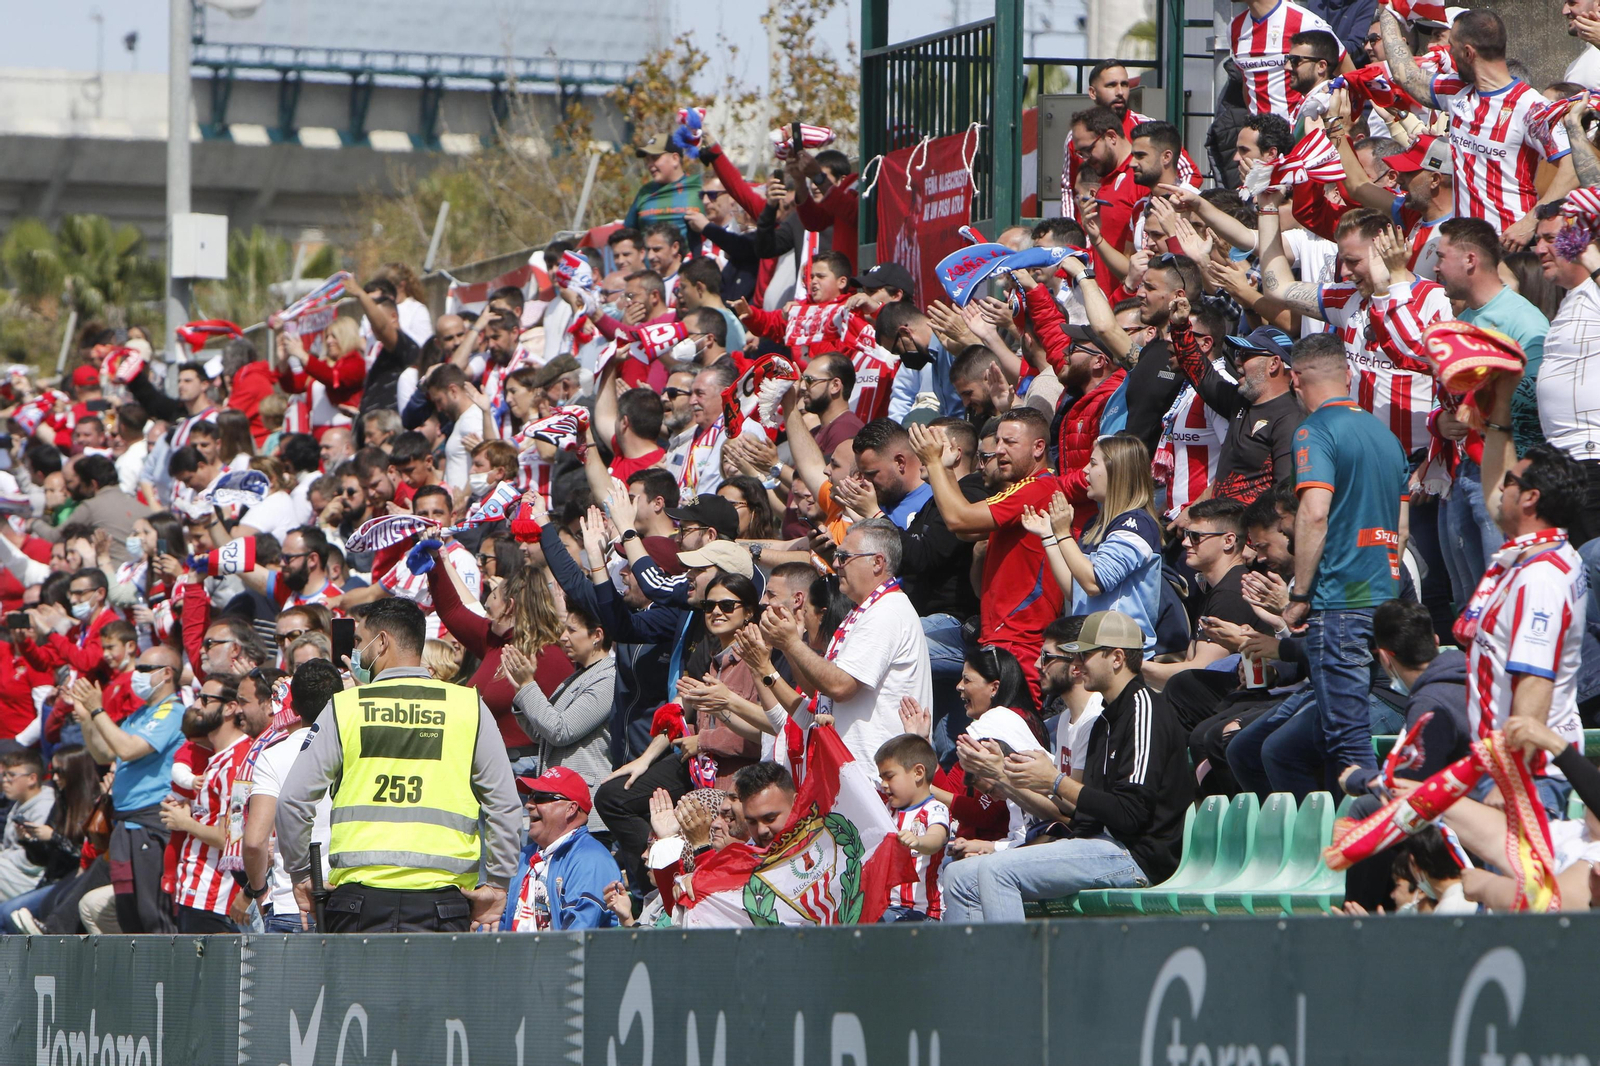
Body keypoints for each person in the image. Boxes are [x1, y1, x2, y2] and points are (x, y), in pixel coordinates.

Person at [275, 598, 522, 933]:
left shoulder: (346, 707)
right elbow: (504, 805)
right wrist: (497, 882)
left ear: (382, 643)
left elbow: (293, 800)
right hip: (443, 902)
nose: (356, 652)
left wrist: (301, 873)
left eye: (360, 642)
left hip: (358, 902)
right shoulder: (468, 706)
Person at [944, 611, 1194, 921]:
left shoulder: (1143, 709)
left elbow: (1131, 814)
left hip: (1135, 854)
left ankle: (1010, 970)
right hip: (1099, 845)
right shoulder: (1106, 718)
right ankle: (976, 970)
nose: (1078, 665)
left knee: (997, 872)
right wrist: (1021, 780)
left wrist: (1054, 782)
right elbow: (1084, 812)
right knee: (960, 878)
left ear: (1117, 658)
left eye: (1086, 655)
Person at [1280, 333, 1410, 795]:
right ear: (1348, 375)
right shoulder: (1386, 436)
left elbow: (1315, 512)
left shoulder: (1313, 431)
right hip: (1385, 599)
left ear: (1295, 379)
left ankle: (1359, 852)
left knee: (1349, 745)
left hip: (1339, 602)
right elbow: (1402, 528)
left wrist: (1299, 594)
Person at [1379, 7, 1576, 247]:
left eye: (1451, 45)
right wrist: (1389, 12)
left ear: (1468, 53)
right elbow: (1406, 75)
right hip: (1464, 245)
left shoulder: (1531, 106)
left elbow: (1572, 168)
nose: (1447, 52)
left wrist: (1531, 221)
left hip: (1509, 245)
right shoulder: (1455, 90)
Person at [760, 518, 932, 773]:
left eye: (844, 556)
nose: (836, 563)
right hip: (851, 769)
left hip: (876, 774)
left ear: (877, 562)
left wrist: (791, 642)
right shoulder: (865, 611)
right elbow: (819, 688)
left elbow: (841, 686)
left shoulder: (887, 612)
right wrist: (786, 643)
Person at [912, 409, 1063, 695]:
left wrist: (933, 462)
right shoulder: (1023, 489)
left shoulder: (1036, 488)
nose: (999, 451)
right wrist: (944, 468)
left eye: (1010, 443)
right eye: (998, 442)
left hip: (1020, 645)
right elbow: (964, 530)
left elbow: (959, 519)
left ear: (1038, 447)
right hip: (998, 638)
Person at [78, 643, 185, 933]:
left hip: (149, 820)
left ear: (165, 674)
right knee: (129, 914)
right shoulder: (140, 715)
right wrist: (88, 720)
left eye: (143, 669)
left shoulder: (172, 712)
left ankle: (167, 974)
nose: (135, 675)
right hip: (125, 823)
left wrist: (98, 709)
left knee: (152, 913)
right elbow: (104, 753)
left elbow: (128, 749)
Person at [1025, 436, 1164, 650]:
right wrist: (1050, 537)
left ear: (1117, 471)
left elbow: (1094, 583)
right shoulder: (1095, 525)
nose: (1085, 471)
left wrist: (1063, 533)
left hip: (1120, 654)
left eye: (1093, 463)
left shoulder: (1136, 523)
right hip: (1091, 648)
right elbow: (1075, 590)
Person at [242, 659, 340, 933]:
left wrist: (258, 890)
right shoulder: (357, 748)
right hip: (350, 900)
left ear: (293, 708)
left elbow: (254, 841)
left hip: (291, 906)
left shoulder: (273, 756)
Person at [503, 601, 617, 831]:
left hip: (585, 812)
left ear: (597, 635)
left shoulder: (608, 678)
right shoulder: (576, 677)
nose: (563, 637)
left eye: (572, 631)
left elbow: (560, 731)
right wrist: (520, 688)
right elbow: (540, 732)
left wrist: (528, 684)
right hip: (560, 805)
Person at [160, 673, 252, 934]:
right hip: (196, 889)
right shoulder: (217, 757)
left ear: (231, 707)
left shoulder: (236, 761)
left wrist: (184, 822)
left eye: (205, 699)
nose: (196, 706)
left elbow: (230, 837)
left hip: (214, 897)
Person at [502, 766, 621, 931]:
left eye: (540, 797)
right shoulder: (524, 856)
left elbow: (577, 938)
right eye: (530, 797)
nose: (529, 804)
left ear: (571, 809)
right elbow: (500, 921)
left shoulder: (590, 859)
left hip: (558, 956)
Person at [1228, 0, 1347, 120]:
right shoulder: (1234, 28)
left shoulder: (1306, 21)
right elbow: (1248, 81)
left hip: (1300, 130)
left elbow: (1349, 77)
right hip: (1260, 132)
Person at [875, 733, 949, 922]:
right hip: (888, 909)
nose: (884, 784)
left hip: (922, 914)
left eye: (889, 776)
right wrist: (829, 731)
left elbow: (937, 838)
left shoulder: (935, 809)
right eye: (881, 777)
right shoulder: (888, 809)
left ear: (918, 773)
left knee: (875, 928)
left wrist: (919, 841)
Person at [0, 751, 55, 902]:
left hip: (33, 879)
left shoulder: (45, 808)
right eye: (4, 775)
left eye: (11, 775)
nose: (5, 781)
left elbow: (34, 862)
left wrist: (4, 856)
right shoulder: (20, 803)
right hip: (14, 871)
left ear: (32, 779)